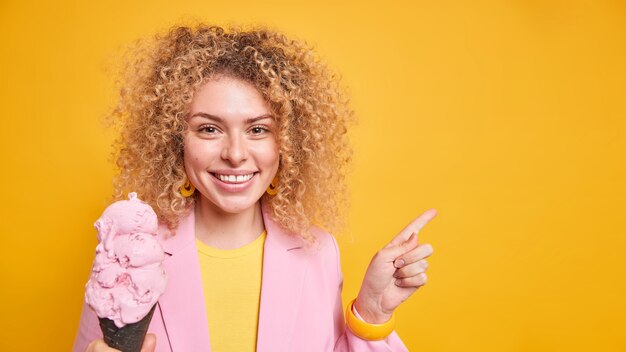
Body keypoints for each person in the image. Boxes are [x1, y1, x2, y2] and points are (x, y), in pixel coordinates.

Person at [73, 24, 437, 352]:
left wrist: (372, 312)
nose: (234, 154)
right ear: (174, 140)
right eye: (209, 129)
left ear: (288, 143)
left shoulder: (317, 252)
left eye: (258, 129)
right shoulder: (127, 256)